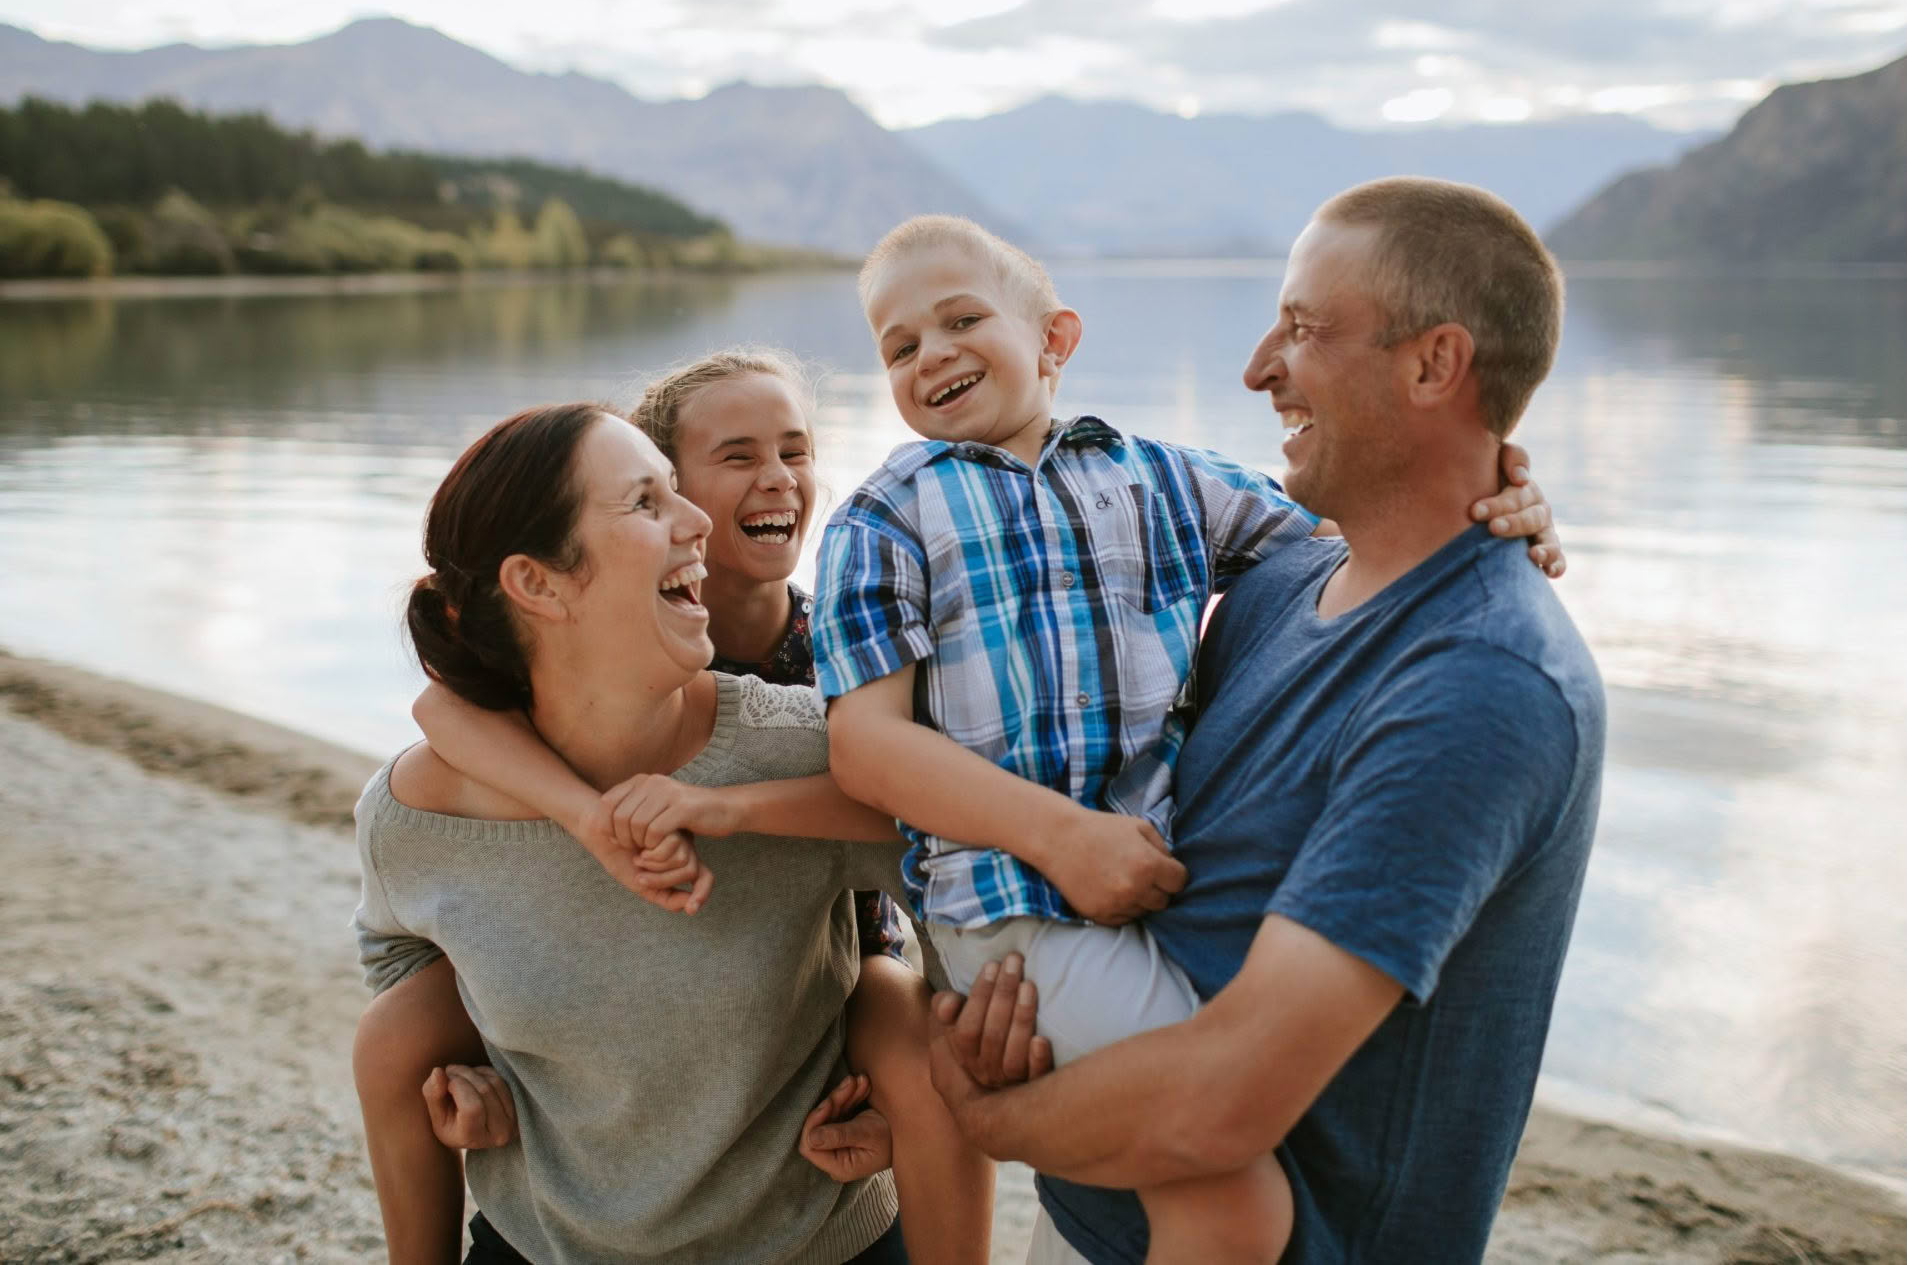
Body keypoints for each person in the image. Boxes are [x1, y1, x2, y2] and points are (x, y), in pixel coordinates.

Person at [800, 214, 1566, 1263]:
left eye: (961, 319)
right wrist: (1063, 837)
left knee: (1206, 1154)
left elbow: (1364, 531)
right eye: (898, 347)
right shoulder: (882, 519)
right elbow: (867, 751)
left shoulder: (1154, 476)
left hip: (1129, 894)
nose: (929, 353)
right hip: (1015, 911)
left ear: (1054, 339)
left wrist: (1504, 497)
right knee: (1228, 1197)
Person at [350, 401, 991, 1265]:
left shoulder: (804, 747)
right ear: (538, 584)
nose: (697, 520)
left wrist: (918, 1071)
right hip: (539, 1244)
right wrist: (464, 1067)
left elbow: (971, 891)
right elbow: (398, 959)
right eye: (648, 503)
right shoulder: (417, 815)